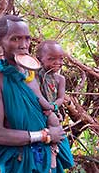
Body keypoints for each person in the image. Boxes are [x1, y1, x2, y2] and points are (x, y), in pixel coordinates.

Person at [0, 15, 73, 173]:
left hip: (47, 160)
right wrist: (45, 136)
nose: (23, 45)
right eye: (15, 39)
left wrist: (52, 113)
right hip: (20, 162)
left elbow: (41, 104)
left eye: (27, 39)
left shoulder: (30, 71)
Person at [27, 40, 73, 169]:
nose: (57, 63)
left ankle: (54, 149)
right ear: (40, 59)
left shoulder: (60, 79)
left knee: (54, 120)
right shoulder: (34, 75)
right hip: (38, 110)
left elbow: (60, 98)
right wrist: (44, 106)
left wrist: (52, 107)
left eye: (60, 59)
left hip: (52, 109)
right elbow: (36, 95)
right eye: (52, 59)